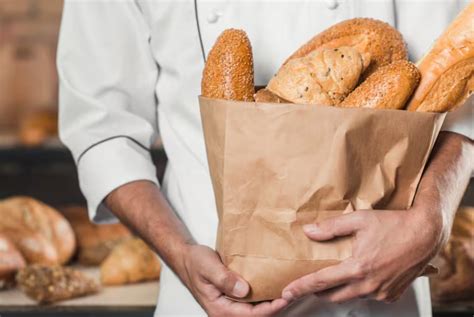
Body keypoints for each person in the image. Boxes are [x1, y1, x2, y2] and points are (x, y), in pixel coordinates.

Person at [57, 1, 473, 316]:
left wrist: (431, 218)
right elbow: (103, 130)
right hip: (205, 292)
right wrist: (180, 253)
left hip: (378, 298)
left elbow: (458, 72)